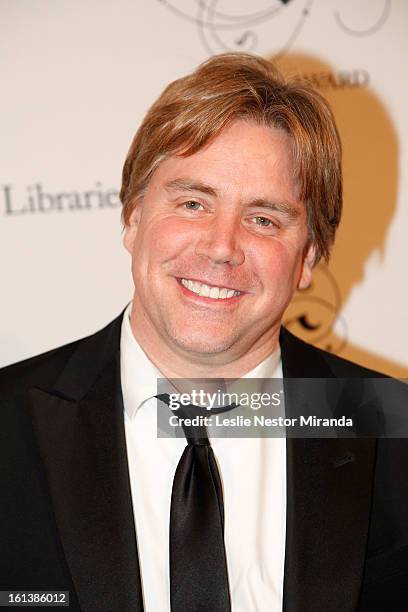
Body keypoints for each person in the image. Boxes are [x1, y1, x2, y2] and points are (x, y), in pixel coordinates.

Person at [1, 53, 407, 612]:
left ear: (309, 255)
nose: (221, 247)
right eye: (193, 203)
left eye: (264, 219)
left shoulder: (390, 430)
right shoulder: (8, 421)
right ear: (133, 217)